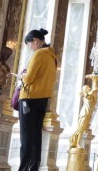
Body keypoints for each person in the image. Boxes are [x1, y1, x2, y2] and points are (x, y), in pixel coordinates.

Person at [19, 28, 58, 171]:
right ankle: (33, 167)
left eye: (29, 44)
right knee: (36, 135)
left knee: (26, 137)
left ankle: (23, 168)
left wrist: (22, 75)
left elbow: (29, 79)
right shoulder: (52, 56)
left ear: (35, 41)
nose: (30, 48)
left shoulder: (38, 54)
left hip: (29, 98)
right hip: (43, 100)